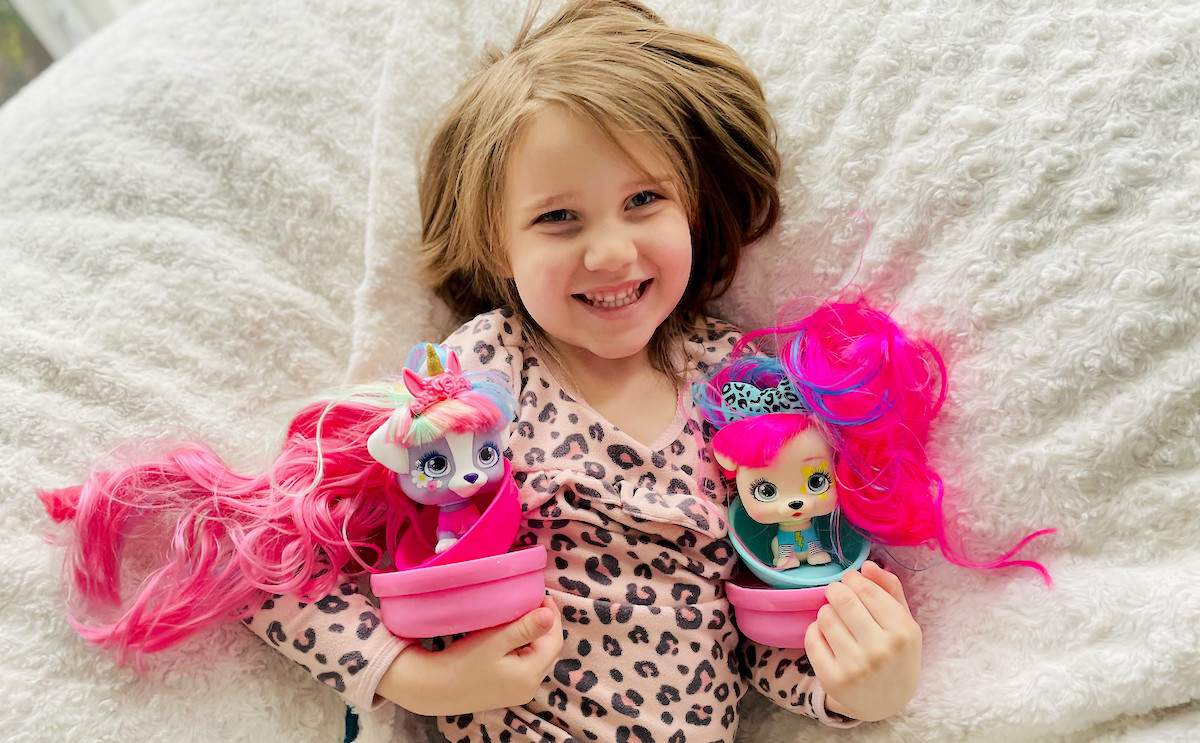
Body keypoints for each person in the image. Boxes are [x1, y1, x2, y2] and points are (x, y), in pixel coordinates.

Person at [244, 1, 926, 739]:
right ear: (499, 247)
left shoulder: (733, 385)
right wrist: (419, 676)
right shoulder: (478, 373)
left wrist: (863, 685)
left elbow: (766, 616)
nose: (609, 252)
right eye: (558, 218)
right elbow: (270, 569)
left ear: (692, 207)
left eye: (643, 199)